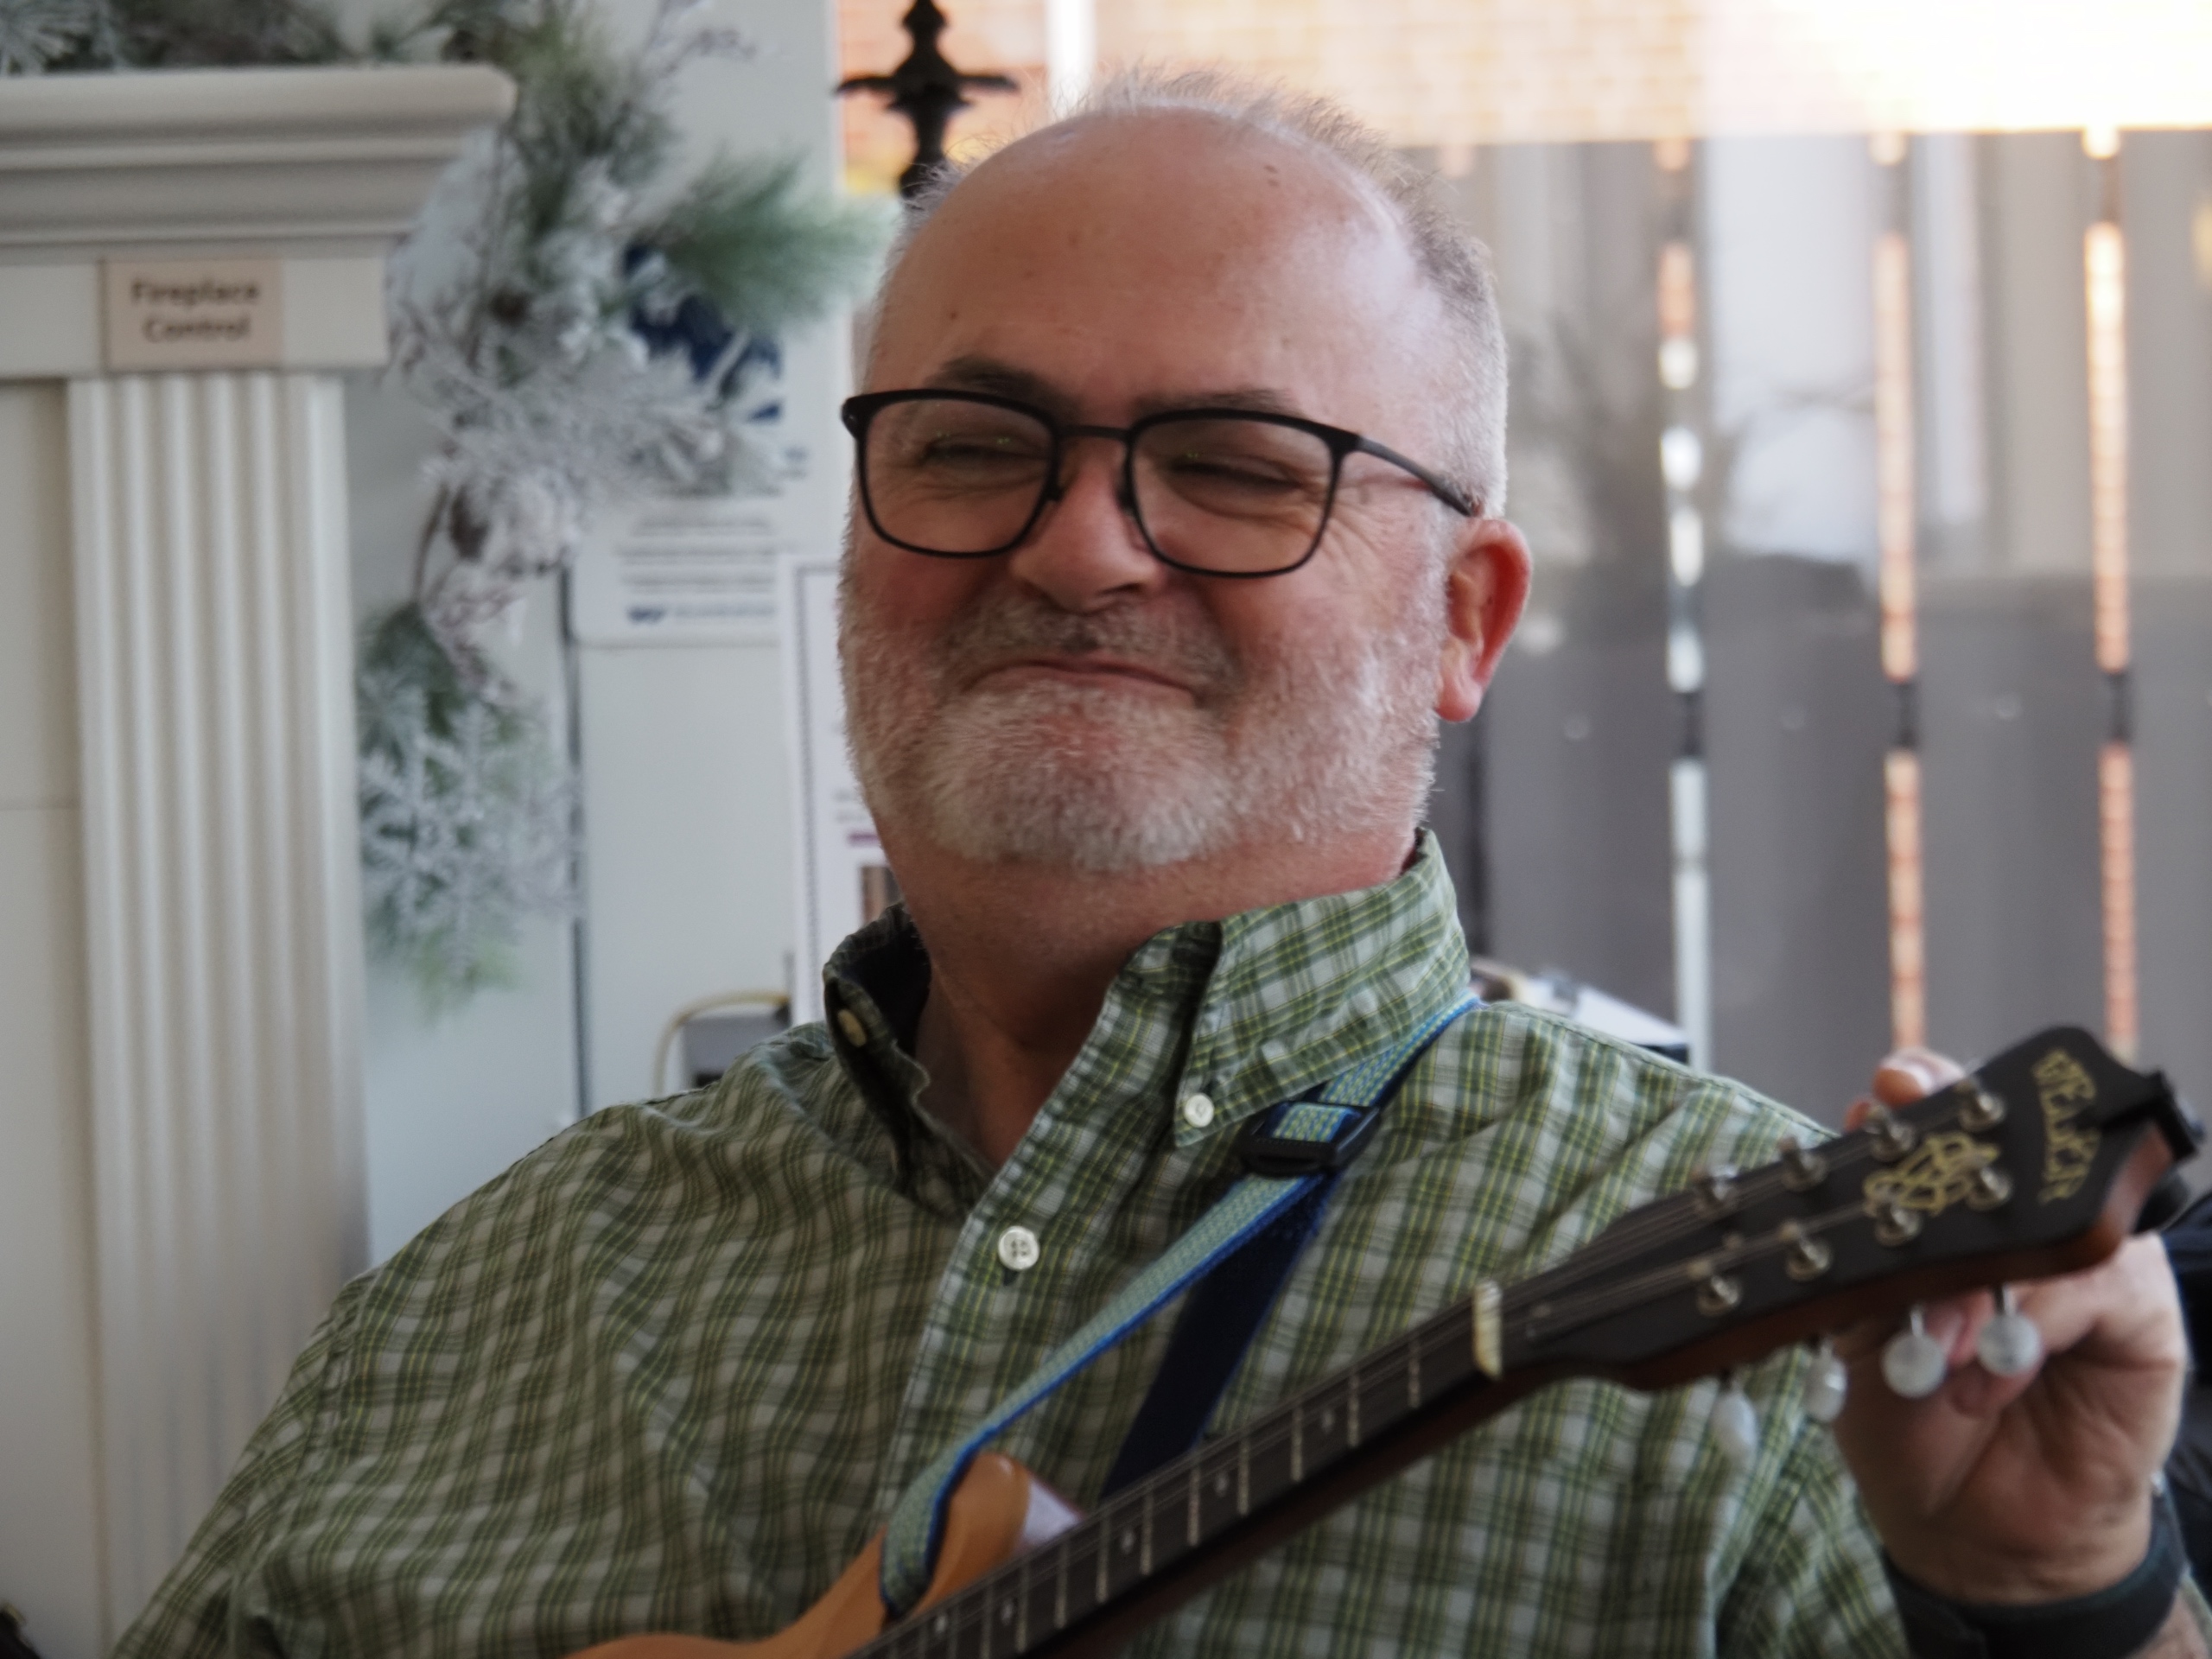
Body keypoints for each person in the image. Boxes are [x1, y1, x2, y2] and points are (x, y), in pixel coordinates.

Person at [118, 70, 2204, 1658]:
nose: (1075, 544)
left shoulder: (1793, 1371)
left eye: (1230, 469)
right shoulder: (485, 1302)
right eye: (968, 443)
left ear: (1462, 625)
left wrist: (2055, 1606)